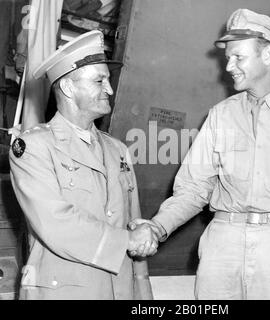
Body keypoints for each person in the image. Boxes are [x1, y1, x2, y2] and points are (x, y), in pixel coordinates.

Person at [129, 8, 270, 300]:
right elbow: (193, 189)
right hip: (222, 247)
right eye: (228, 58)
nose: (229, 66)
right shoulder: (220, 115)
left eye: (239, 57)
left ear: (267, 54)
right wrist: (158, 226)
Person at [9, 30, 158, 300]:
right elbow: (55, 222)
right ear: (68, 88)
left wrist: (143, 294)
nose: (109, 89)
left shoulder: (118, 150)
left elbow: (134, 228)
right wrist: (128, 240)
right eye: (99, 80)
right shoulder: (34, 148)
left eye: (109, 80)